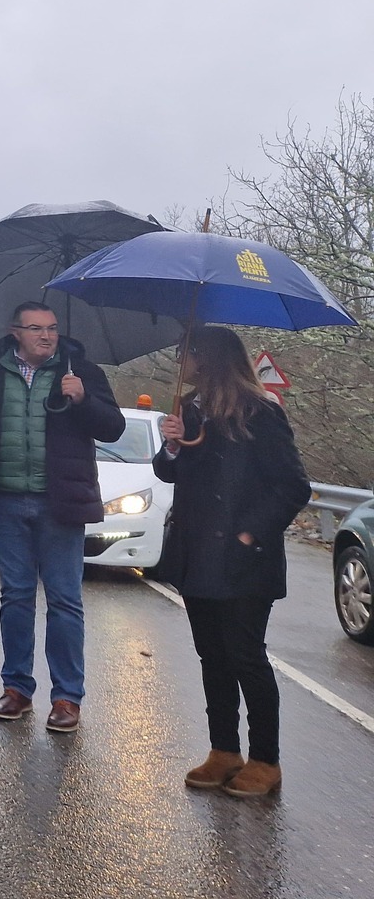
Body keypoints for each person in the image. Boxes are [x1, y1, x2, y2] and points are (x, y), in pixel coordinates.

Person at [0, 301, 125, 732]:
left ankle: (67, 697)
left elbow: (113, 428)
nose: (46, 336)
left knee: (65, 600)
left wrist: (82, 398)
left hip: (60, 503)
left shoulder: (81, 371)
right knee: (15, 596)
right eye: (35, 329)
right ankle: (17, 689)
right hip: (7, 500)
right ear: (16, 332)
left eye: (51, 328)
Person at [154, 325, 310, 797]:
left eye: (188, 353)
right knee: (213, 658)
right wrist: (173, 444)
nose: (183, 361)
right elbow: (168, 471)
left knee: (246, 658)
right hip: (197, 555)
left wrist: (248, 534)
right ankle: (224, 751)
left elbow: (293, 487)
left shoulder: (260, 413)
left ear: (211, 357)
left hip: (244, 561)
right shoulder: (190, 409)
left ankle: (266, 760)